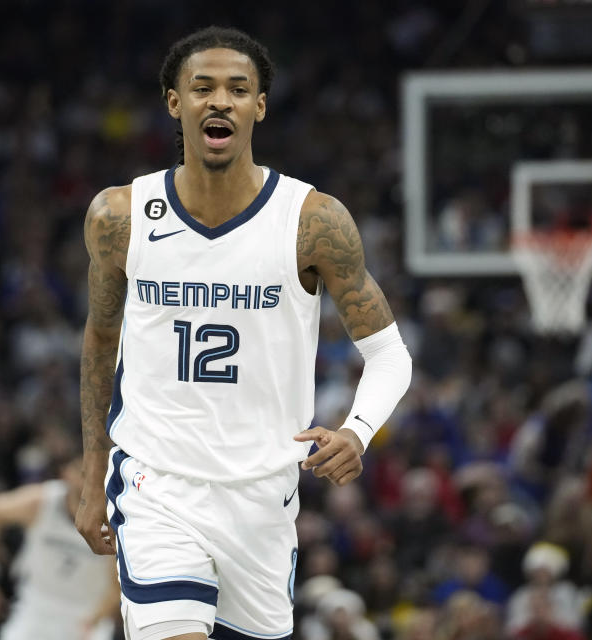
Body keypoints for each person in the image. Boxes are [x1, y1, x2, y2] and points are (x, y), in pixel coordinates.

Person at [75, 26, 412, 640]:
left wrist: (358, 431)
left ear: (260, 105)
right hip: (157, 485)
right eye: (201, 87)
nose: (219, 101)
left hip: (263, 496)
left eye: (238, 88)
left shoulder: (313, 221)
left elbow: (389, 354)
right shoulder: (120, 216)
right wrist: (93, 473)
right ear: (175, 102)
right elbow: (101, 343)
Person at [0, 457, 119, 640]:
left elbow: (117, 585)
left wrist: (97, 618)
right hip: (37, 605)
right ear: (66, 473)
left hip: (86, 614)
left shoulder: (113, 516)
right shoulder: (42, 501)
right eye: (82, 471)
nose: (89, 479)